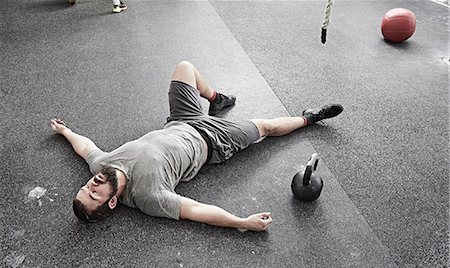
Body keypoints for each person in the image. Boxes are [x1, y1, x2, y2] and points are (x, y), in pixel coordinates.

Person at [50, 61, 343, 232]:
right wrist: (242, 222)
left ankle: (216, 99)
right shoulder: (147, 197)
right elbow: (196, 210)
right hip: (213, 140)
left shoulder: (101, 166)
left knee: (184, 67)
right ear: (111, 202)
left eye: (86, 186)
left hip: (181, 120)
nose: (92, 183)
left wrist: (65, 131)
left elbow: (84, 147)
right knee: (264, 127)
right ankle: (310, 118)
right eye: (94, 193)